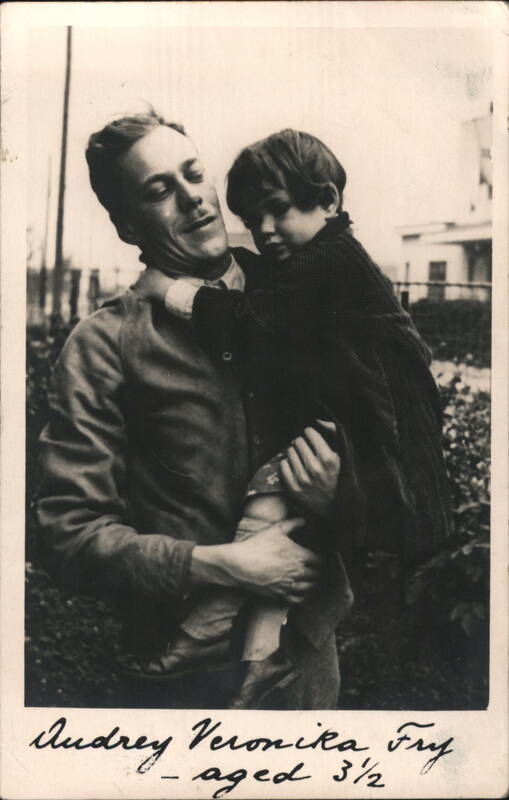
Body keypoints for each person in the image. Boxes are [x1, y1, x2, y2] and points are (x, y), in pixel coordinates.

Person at [35, 111, 352, 711]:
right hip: (181, 681)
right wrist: (227, 567)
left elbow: (394, 428)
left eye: (194, 173)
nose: (193, 200)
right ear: (128, 225)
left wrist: (345, 485)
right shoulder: (104, 343)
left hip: (307, 666)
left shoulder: (310, 296)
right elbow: (68, 537)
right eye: (159, 190)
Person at [132, 129, 453, 705]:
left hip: (377, 428)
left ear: (328, 201)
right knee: (285, 536)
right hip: (359, 422)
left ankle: (206, 630)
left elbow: (254, 322)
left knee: (270, 500)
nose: (265, 231)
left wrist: (169, 292)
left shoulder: (328, 259)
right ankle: (260, 658)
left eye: (278, 210)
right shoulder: (320, 259)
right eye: (254, 220)